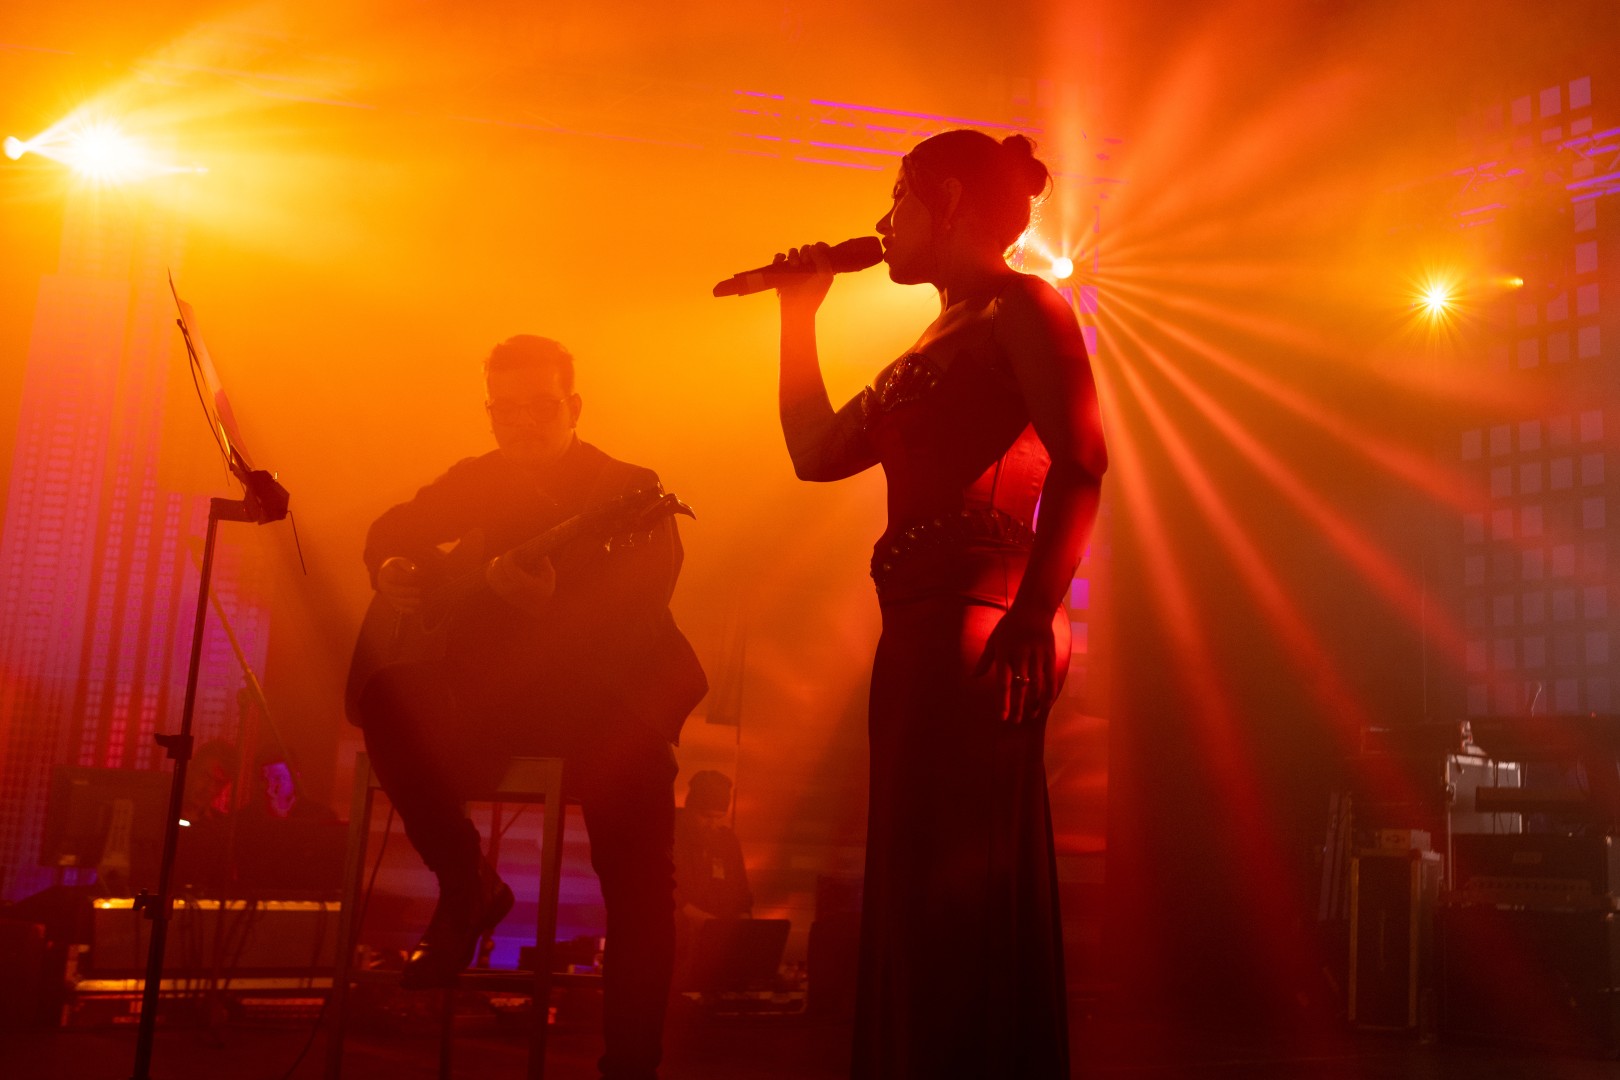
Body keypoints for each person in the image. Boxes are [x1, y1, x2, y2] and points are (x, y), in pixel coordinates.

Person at [771, 130, 1107, 1078]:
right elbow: (816, 454)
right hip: (916, 627)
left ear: (950, 201)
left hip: (983, 624)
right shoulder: (931, 336)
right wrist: (799, 316)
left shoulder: (1025, 308)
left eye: (897, 199)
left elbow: (1082, 463)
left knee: (959, 876)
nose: (882, 223)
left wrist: (1038, 613)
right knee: (915, 879)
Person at [354, 334, 706, 1080]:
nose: (520, 424)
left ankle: (632, 1066)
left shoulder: (629, 487)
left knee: (643, 886)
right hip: (499, 700)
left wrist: (557, 606)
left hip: (610, 705)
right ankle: (467, 883)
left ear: (572, 406)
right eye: (502, 410)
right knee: (384, 695)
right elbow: (391, 530)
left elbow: (645, 600)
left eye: (538, 407)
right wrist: (391, 569)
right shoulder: (476, 480)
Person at [671, 770, 752, 990]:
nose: (712, 825)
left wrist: (742, 928)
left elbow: (741, 890)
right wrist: (700, 919)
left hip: (717, 946)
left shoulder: (726, 840)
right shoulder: (670, 834)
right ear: (690, 809)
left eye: (718, 818)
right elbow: (663, 888)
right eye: (707, 816)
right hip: (676, 943)